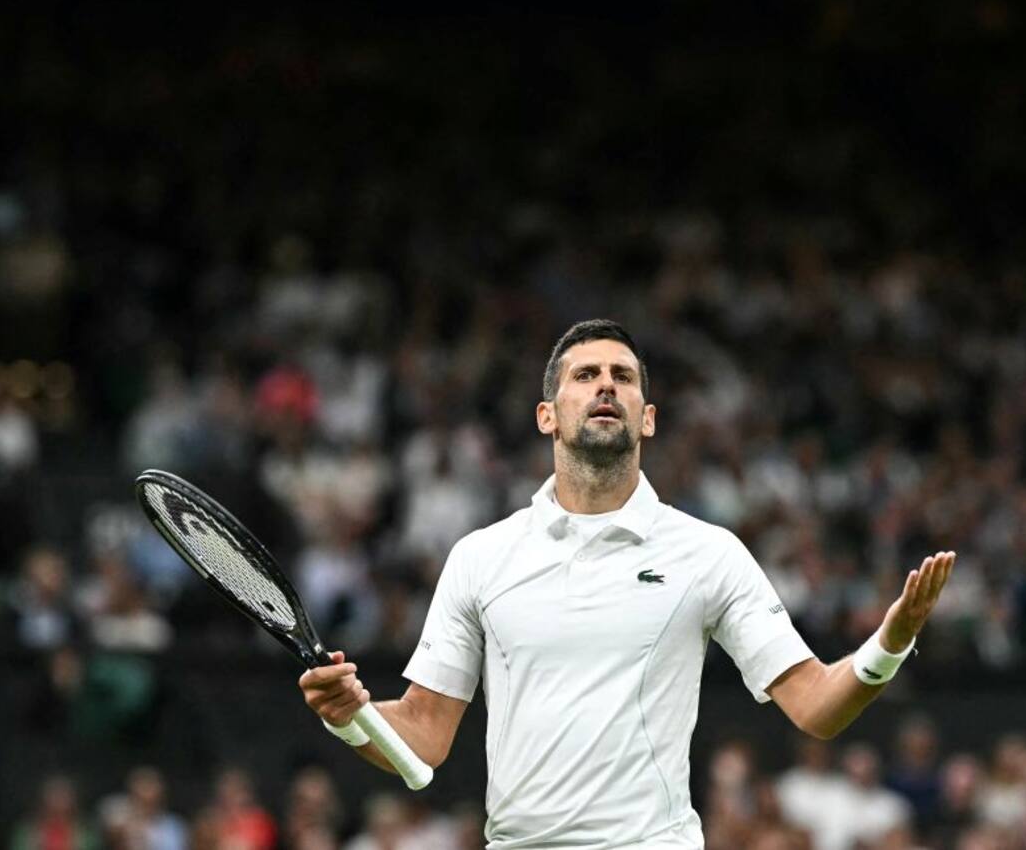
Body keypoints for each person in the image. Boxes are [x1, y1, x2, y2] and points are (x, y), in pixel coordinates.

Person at [299, 319, 956, 849]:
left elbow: (816, 705)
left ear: (647, 417)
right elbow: (421, 736)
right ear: (547, 415)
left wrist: (890, 642)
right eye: (585, 376)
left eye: (623, 377)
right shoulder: (481, 558)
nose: (606, 386)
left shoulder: (708, 553)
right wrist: (350, 718)